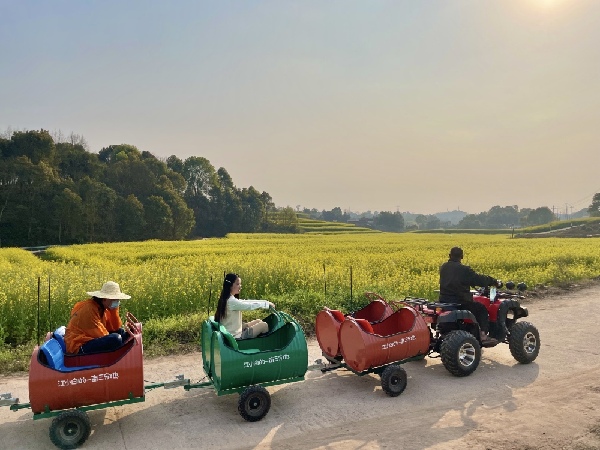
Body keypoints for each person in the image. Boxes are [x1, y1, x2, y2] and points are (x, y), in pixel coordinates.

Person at [439, 247, 501, 344]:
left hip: (444, 301)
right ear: (462, 256)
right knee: (481, 309)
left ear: (449, 256)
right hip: (460, 302)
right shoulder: (464, 270)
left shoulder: (443, 267)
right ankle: (483, 336)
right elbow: (479, 279)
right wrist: (493, 281)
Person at [64, 281, 131, 354]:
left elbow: (115, 327)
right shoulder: (89, 309)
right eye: (115, 299)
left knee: (120, 332)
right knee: (115, 339)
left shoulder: (102, 308)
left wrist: (114, 310)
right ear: (105, 299)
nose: (118, 302)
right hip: (78, 345)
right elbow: (101, 335)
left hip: (89, 339)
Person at [214, 273, 275, 339]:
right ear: (230, 285)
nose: (240, 286)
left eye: (240, 284)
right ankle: (260, 346)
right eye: (237, 284)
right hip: (235, 336)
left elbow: (246, 302)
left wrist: (266, 302)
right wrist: (266, 304)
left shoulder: (227, 298)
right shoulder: (231, 301)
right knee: (264, 325)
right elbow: (249, 306)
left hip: (232, 330)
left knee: (258, 321)